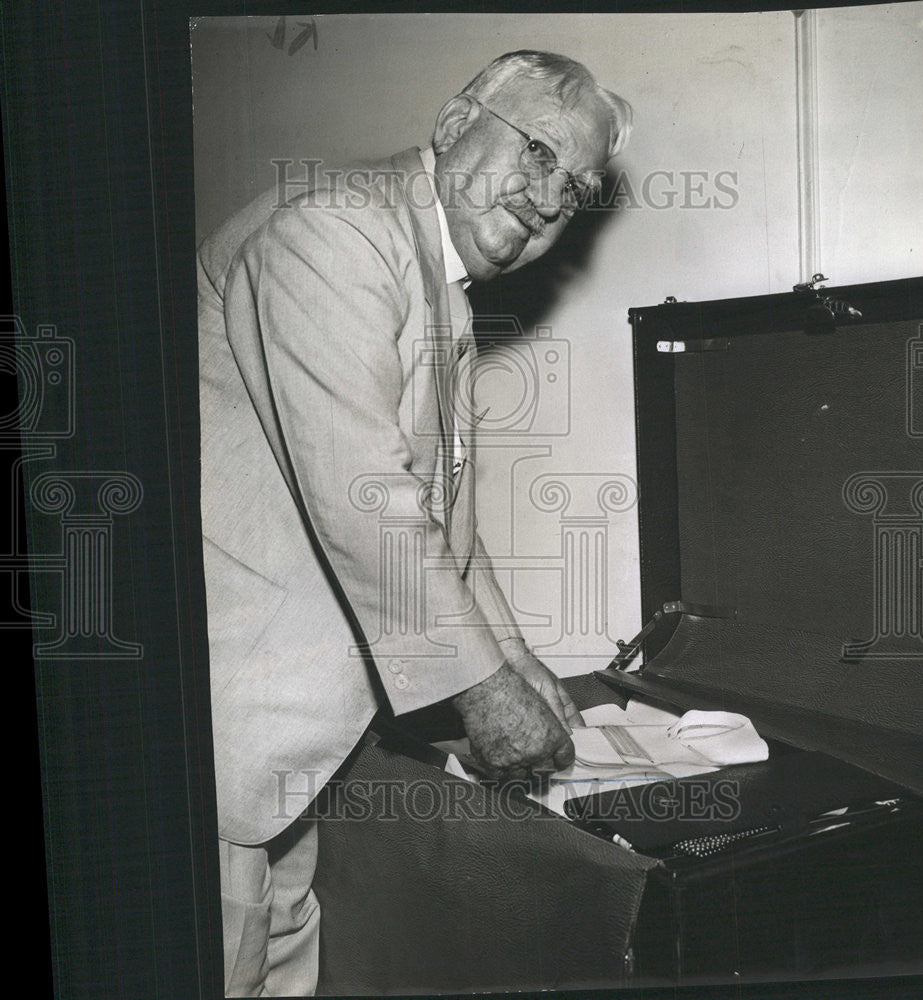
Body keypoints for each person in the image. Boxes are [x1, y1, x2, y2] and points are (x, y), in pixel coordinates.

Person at [197, 49, 632, 996]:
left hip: (288, 745)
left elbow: (442, 512)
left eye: (579, 187)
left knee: (277, 952)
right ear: (451, 121)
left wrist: (519, 664)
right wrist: (484, 692)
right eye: (539, 150)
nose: (551, 196)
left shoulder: (425, 271)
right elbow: (370, 497)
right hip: (228, 728)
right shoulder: (335, 230)